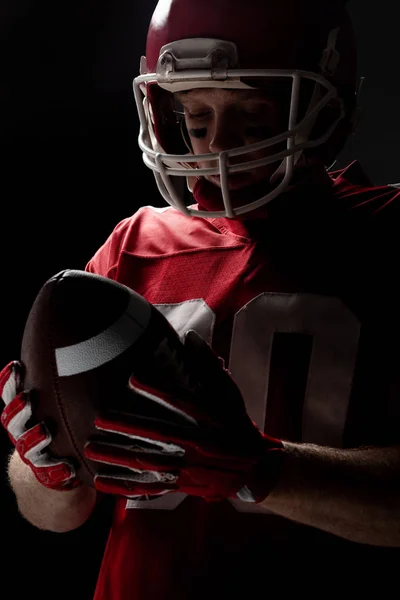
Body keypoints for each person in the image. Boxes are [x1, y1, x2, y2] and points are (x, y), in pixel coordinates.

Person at [1, 0, 400, 597]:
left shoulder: (388, 236)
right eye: (197, 116)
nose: (218, 146)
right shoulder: (133, 247)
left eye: (254, 117)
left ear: (329, 111)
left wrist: (262, 468)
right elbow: (56, 515)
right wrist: (46, 468)